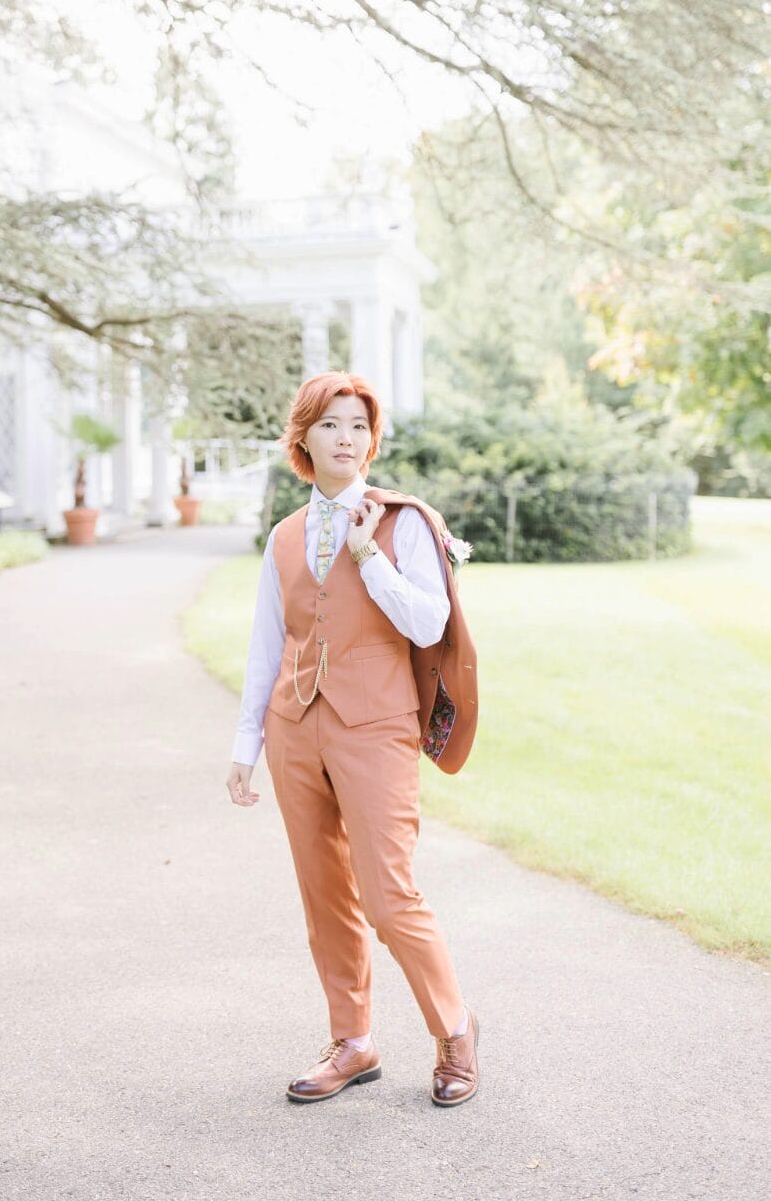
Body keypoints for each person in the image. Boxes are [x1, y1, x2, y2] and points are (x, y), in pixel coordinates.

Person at [225, 369, 479, 1106]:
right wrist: (246, 748)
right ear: (303, 436)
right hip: (295, 728)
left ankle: (455, 1032)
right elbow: (266, 645)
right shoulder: (285, 535)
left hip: (376, 727)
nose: (348, 438)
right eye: (332, 424)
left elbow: (429, 625)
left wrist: (369, 555)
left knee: (389, 895)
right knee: (324, 896)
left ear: (373, 440)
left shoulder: (404, 522)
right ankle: (354, 1040)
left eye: (360, 426)